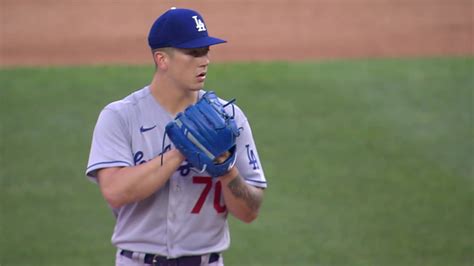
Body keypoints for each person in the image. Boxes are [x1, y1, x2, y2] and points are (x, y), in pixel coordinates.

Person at [85, 7, 267, 266]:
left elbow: (250, 211)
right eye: (192, 53)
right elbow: (115, 191)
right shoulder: (120, 116)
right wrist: (181, 149)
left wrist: (227, 170)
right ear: (162, 59)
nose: (204, 60)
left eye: (205, 51)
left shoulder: (229, 118)